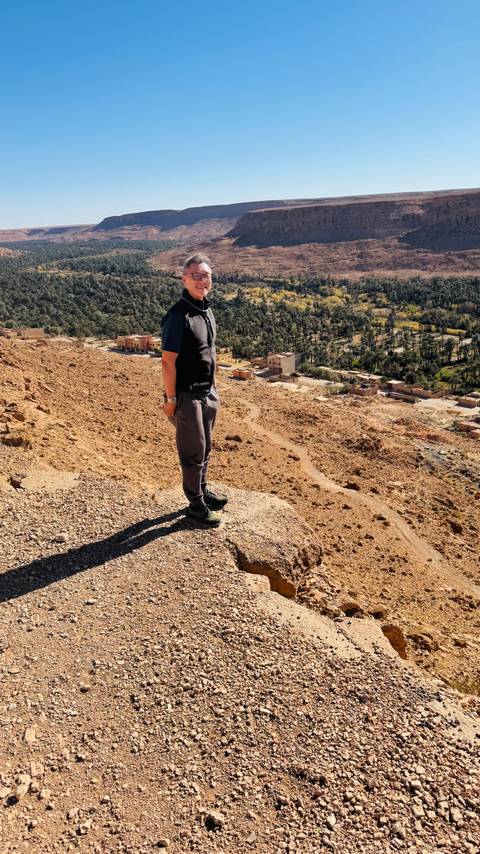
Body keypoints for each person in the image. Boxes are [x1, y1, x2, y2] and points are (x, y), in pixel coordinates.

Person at [161, 253, 228, 526]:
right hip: (187, 395)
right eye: (197, 276)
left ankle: (202, 491)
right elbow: (167, 361)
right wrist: (171, 398)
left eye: (206, 276)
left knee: (206, 447)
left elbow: (207, 352)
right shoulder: (178, 316)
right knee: (193, 451)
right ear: (184, 279)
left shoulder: (205, 309)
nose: (202, 281)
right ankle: (195, 505)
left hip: (207, 392)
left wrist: (214, 387)